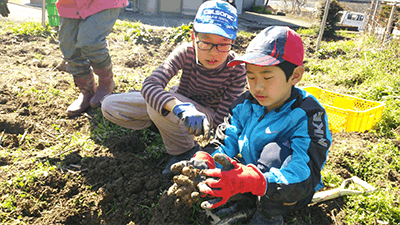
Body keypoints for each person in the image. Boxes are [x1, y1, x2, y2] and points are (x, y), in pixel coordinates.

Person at [180, 26, 332, 224]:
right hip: (253, 174)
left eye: (267, 77)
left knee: (274, 152)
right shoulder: (246, 103)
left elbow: (304, 175)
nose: (257, 86)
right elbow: (225, 141)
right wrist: (206, 159)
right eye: (251, 77)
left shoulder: (308, 114)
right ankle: (247, 199)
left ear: (295, 76)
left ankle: (268, 215)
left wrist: (257, 180)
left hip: (292, 188)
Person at [101, 0, 246, 174]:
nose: (213, 52)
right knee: (110, 106)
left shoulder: (237, 68)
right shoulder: (186, 52)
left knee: (160, 106)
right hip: (178, 106)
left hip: (203, 118)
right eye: (205, 42)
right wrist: (179, 108)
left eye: (223, 44)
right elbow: (150, 84)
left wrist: (204, 133)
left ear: (233, 41)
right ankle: (163, 125)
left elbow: (222, 118)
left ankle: (184, 151)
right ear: (193, 37)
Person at [56, 0, 128, 117]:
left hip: (102, 3)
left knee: (91, 43)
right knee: (69, 48)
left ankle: (106, 83)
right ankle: (87, 91)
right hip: (69, 4)